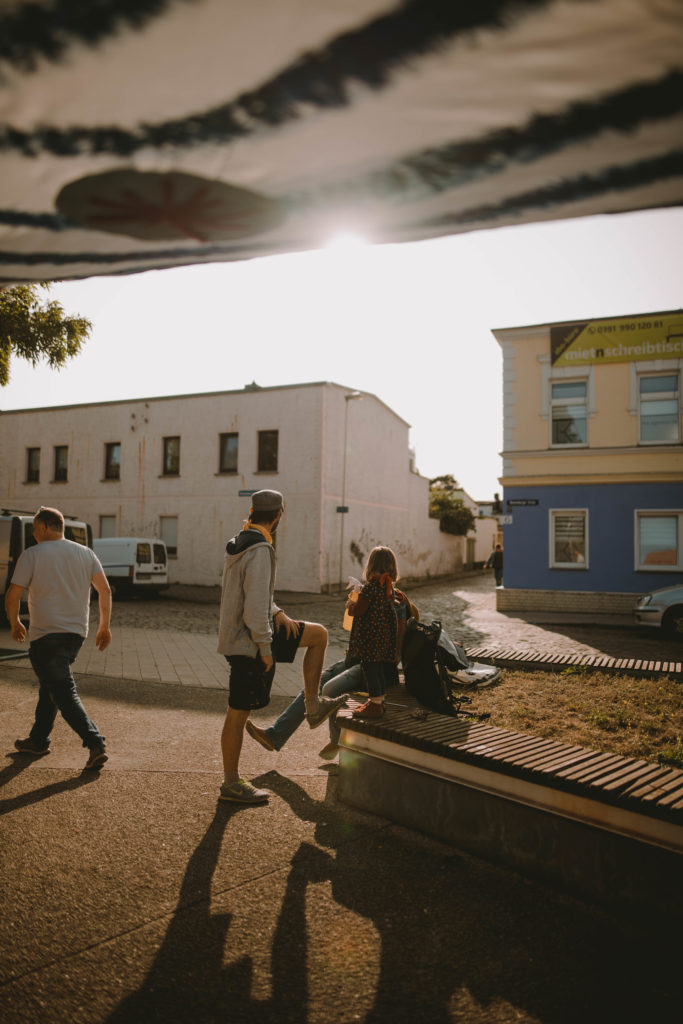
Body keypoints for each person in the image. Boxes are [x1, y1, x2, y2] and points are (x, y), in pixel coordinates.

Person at [216, 489, 348, 805]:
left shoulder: (242, 540)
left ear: (252, 511)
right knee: (237, 714)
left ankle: (313, 706)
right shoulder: (259, 549)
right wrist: (264, 648)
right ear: (278, 516)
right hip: (249, 641)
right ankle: (231, 784)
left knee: (318, 635)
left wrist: (277, 613)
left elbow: (254, 595)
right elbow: (251, 607)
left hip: (256, 631)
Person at [244, 582, 418, 759]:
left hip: (373, 666)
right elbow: (350, 626)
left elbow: (397, 646)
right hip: (355, 660)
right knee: (313, 685)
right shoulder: (368, 596)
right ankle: (275, 735)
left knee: (330, 689)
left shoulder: (395, 600)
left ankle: (337, 742)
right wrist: (354, 605)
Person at [5, 506, 112, 769]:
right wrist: (104, 627)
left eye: (34, 529)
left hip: (46, 636)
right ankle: (38, 740)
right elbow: (105, 590)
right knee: (50, 685)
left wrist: (14, 621)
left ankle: (95, 742)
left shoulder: (32, 554)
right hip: (76, 635)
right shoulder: (85, 553)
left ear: (42, 527)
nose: (33, 534)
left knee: (63, 690)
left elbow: (12, 594)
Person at [345, 545, 399, 719]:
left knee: (370, 669)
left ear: (371, 565)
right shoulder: (388, 587)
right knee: (378, 669)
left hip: (370, 637)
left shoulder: (371, 588)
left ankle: (375, 704)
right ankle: (378, 700)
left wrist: (350, 604)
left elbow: (358, 611)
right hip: (383, 636)